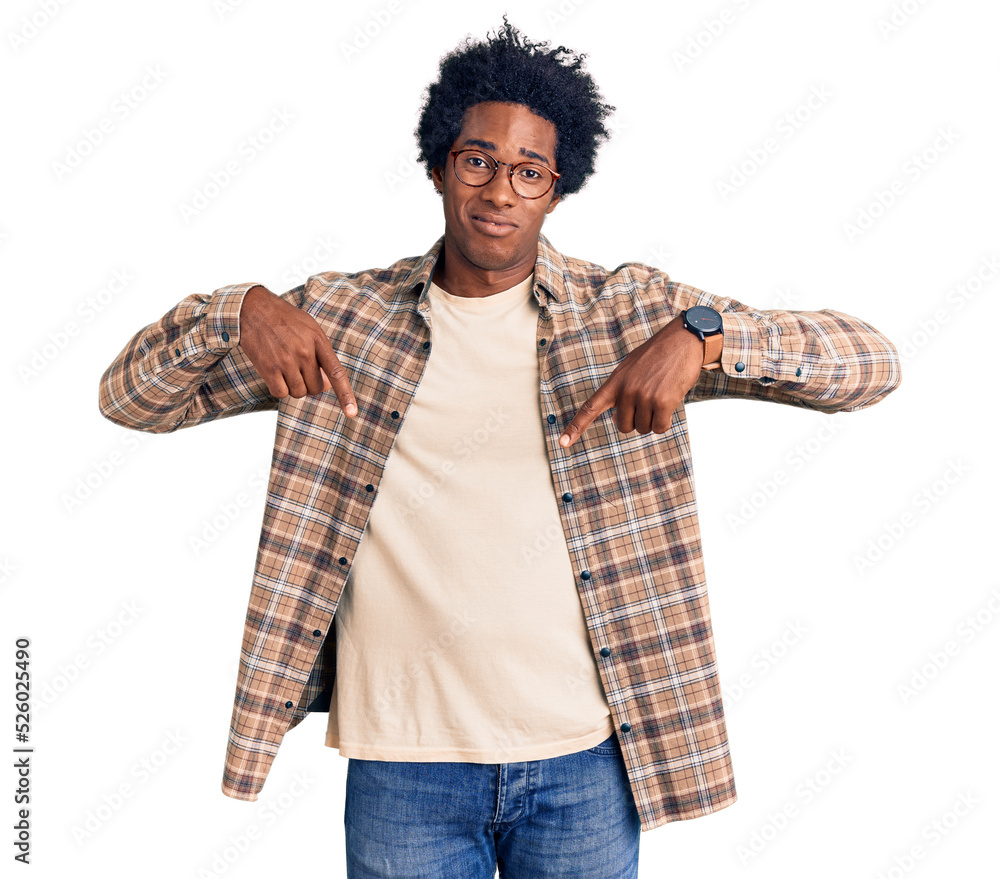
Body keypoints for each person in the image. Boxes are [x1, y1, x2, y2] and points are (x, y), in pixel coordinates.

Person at [98, 18, 901, 879]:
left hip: (584, 762)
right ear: (441, 164)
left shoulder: (625, 313)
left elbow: (870, 362)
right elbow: (131, 400)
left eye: (529, 171)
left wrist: (703, 334)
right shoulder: (343, 323)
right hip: (403, 764)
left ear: (557, 190)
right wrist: (240, 309)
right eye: (478, 160)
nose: (499, 190)